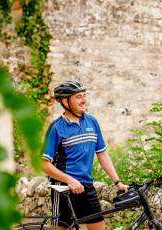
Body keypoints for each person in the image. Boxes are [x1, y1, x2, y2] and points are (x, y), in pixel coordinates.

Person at [42, 80, 128, 229]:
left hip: (87, 187)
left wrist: (117, 182)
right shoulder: (56, 128)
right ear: (65, 101)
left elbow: (102, 154)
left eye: (84, 95)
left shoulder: (92, 122)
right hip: (64, 190)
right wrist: (70, 180)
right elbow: (44, 164)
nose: (84, 100)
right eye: (78, 97)